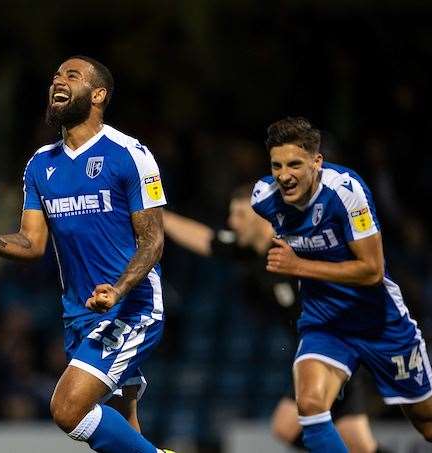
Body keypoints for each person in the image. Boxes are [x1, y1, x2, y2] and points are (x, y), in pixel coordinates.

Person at [0, 56, 174, 453]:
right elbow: (31, 243)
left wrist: (118, 291)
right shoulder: (40, 164)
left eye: (72, 75)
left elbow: (153, 241)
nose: (58, 80)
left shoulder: (129, 154)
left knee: (68, 409)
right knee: (124, 435)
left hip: (130, 307)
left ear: (98, 94)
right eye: (55, 75)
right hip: (80, 314)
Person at [251, 116, 432, 452]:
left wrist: (298, 265)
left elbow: (372, 271)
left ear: (317, 162)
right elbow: (250, 237)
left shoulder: (347, 191)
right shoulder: (263, 198)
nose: (284, 175)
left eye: (294, 164)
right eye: (276, 165)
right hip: (326, 325)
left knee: (425, 421)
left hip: (380, 323)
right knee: (309, 405)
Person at [163, 187, 383, 452]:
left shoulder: (295, 246)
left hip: (333, 348)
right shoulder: (251, 250)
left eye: (240, 214)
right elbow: (206, 239)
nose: (232, 222)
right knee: (360, 446)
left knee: (285, 424)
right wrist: (158, 216)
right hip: (330, 352)